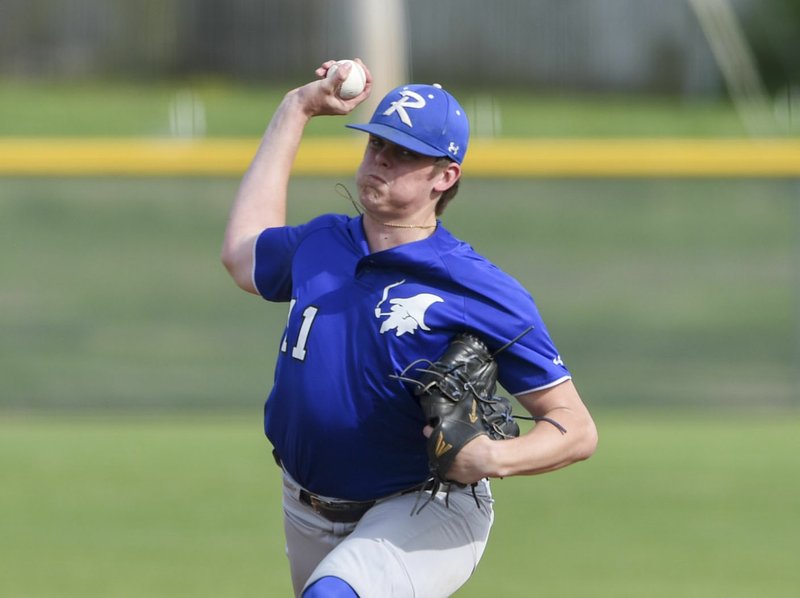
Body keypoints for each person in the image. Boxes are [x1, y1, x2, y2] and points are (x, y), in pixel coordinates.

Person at [221, 59, 598, 598]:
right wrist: (296, 108)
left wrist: (492, 457)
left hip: (423, 506)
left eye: (404, 154)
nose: (381, 160)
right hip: (304, 505)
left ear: (445, 176)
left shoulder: (476, 285)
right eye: (377, 145)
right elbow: (241, 256)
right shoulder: (322, 241)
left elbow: (576, 428)